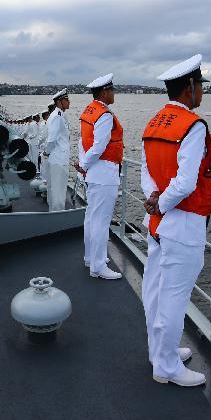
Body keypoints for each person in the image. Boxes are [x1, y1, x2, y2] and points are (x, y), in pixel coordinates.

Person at [140, 54, 211, 387]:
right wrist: (164, 205)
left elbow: (147, 171)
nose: (202, 91)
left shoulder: (154, 122)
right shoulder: (192, 125)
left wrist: (155, 201)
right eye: (200, 84)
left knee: (155, 293)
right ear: (189, 87)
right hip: (183, 223)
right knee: (173, 299)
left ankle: (158, 352)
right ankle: (168, 367)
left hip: (158, 226)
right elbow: (187, 182)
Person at [76, 73, 124, 280]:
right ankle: (97, 267)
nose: (114, 93)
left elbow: (82, 142)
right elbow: (99, 146)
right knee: (101, 221)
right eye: (112, 90)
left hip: (94, 173)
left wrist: (83, 166)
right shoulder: (104, 114)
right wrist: (84, 164)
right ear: (104, 92)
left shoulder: (89, 111)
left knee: (91, 218)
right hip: (104, 173)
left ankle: (91, 257)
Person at [43, 89, 71, 211]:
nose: (69, 102)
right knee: (58, 193)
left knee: (54, 190)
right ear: (59, 102)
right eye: (66, 99)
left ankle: (53, 215)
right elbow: (52, 139)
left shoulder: (57, 115)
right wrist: (47, 152)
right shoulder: (57, 116)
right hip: (59, 159)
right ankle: (58, 219)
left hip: (56, 158)